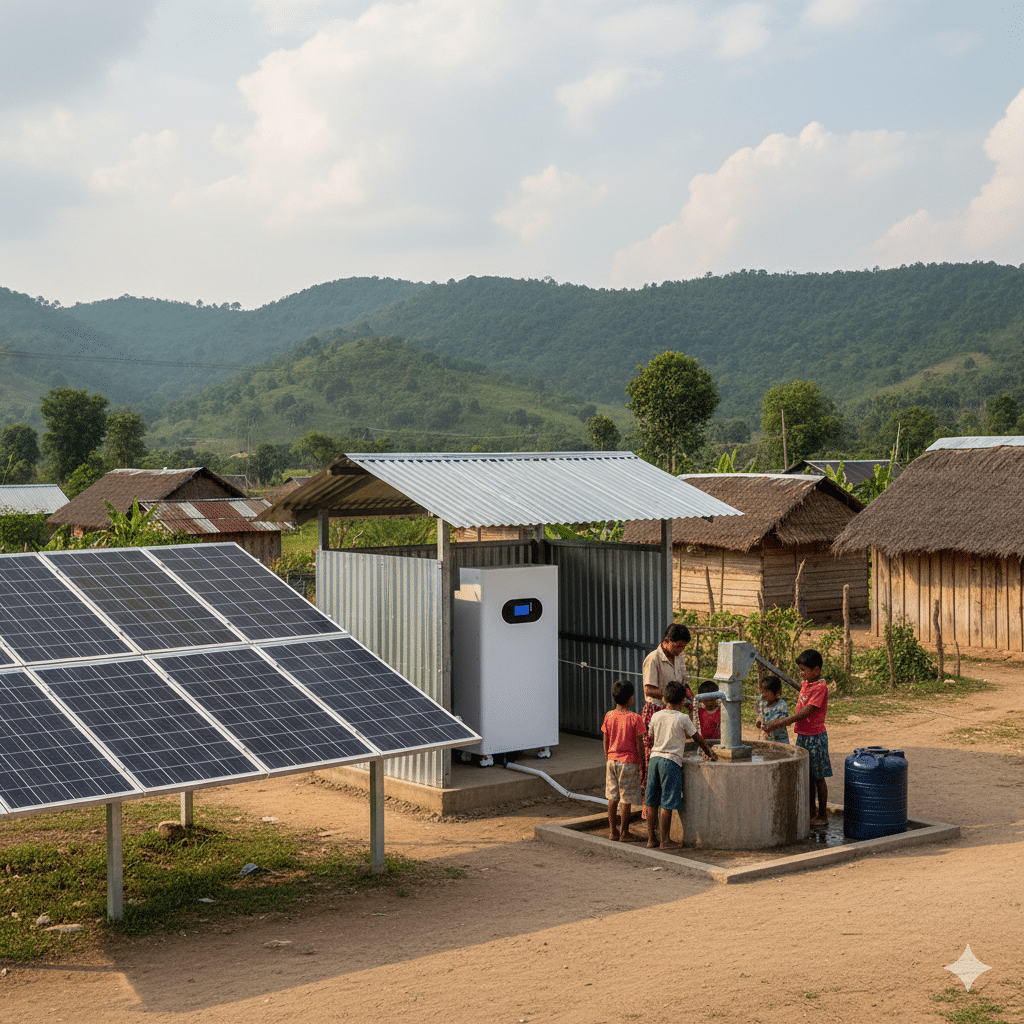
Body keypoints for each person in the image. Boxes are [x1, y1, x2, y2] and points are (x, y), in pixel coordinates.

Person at [760, 649, 831, 828]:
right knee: (807, 776)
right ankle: (811, 813)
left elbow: (804, 713)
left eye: (803, 670)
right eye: (800, 670)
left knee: (818, 777)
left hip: (815, 738)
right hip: (803, 736)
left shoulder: (820, 688)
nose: (801, 673)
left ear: (816, 670)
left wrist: (780, 722)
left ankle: (822, 814)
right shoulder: (806, 684)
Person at [644, 679, 717, 850]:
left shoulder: (656, 715)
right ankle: (665, 840)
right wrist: (709, 752)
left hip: (654, 759)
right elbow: (696, 737)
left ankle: (650, 839)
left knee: (651, 801)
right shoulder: (683, 718)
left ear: (664, 699)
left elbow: (650, 736)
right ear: (683, 701)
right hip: (671, 762)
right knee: (667, 802)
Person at [640, 623, 695, 785]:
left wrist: (691, 698)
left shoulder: (679, 657)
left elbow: (683, 683)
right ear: (666, 641)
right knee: (653, 753)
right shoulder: (653, 659)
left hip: (674, 710)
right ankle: (650, 787)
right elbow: (649, 689)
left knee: (671, 751)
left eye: (683, 647)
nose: (680, 650)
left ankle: (665, 785)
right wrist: (673, 696)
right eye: (678, 646)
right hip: (655, 710)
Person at [601, 679, 646, 842]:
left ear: (614, 699)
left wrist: (608, 758)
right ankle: (624, 832)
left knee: (612, 798)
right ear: (631, 698)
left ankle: (613, 831)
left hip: (611, 760)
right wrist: (642, 764)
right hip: (629, 762)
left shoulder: (609, 716)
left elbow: (605, 740)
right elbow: (639, 744)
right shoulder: (636, 719)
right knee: (626, 799)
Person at [756, 675, 790, 745]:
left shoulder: (781, 705)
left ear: (777, 693)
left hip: (780, 742)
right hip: (766, 740)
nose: (763, 695)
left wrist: (770, 727)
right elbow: (760, 716)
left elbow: (782, 721)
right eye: (762, 692)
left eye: (766, 693)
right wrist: (758, 722)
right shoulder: (762, 703)